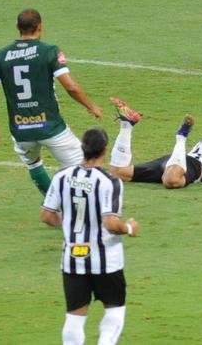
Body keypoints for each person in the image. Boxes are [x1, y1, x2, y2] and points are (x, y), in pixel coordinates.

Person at [0, 8, 103, 194]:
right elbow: (71, 87)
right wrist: (91, 106)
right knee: (85, 167)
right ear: (40, 27)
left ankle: (52, 203)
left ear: (17, 27)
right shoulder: (49, 51)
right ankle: (79, 204)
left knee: (33, 163)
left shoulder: (2, 55)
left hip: (21, 130)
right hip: (51, 127)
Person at [41, 127, 139, 345]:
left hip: (73, 259)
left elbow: (47, 215)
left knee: (74, 317)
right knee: (114, 310)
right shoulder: (109, 182)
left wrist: (68, 223)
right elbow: (111, 223)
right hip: (107, 260)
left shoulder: (61, 177)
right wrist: (129, 228)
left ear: (82, 148)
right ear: (104, 150)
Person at [104, 99, 202, 188]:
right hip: (193, 166)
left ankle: (126, 126)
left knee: (118, 173)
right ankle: (181, 137)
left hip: (175, 160)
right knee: (171, 181)